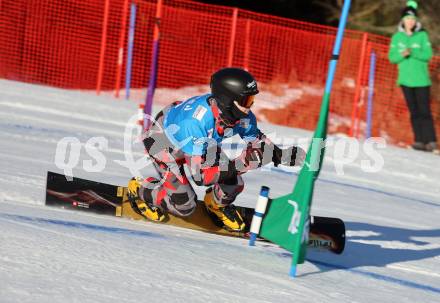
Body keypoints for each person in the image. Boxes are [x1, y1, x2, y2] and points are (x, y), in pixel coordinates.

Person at [127, 67, 306, 231]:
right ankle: (140, 189)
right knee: (185, 206)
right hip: (164, 144)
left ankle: (215, 205)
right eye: (246, 100)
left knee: (233, 184)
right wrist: (245, 162)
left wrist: (279, 154)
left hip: (201, 144)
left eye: (251, 99)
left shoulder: (242, 116)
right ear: (228, 100)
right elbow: (201, 177)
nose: (250, 106)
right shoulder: (194, 123)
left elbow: (257, 140)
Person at [388, 1, 438, 153]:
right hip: (405, 80)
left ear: (416, 21)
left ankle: (430, 141)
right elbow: (392, 58)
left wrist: (413, 52)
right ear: (402, 21)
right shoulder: (397, 37)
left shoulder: (422, 35)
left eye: (412, 19)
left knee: (425, 111)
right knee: (414, 112)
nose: (410, 22)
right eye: (407, 19)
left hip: (421, 80)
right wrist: (402, 54)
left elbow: (428, 55)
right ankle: (419, 141)